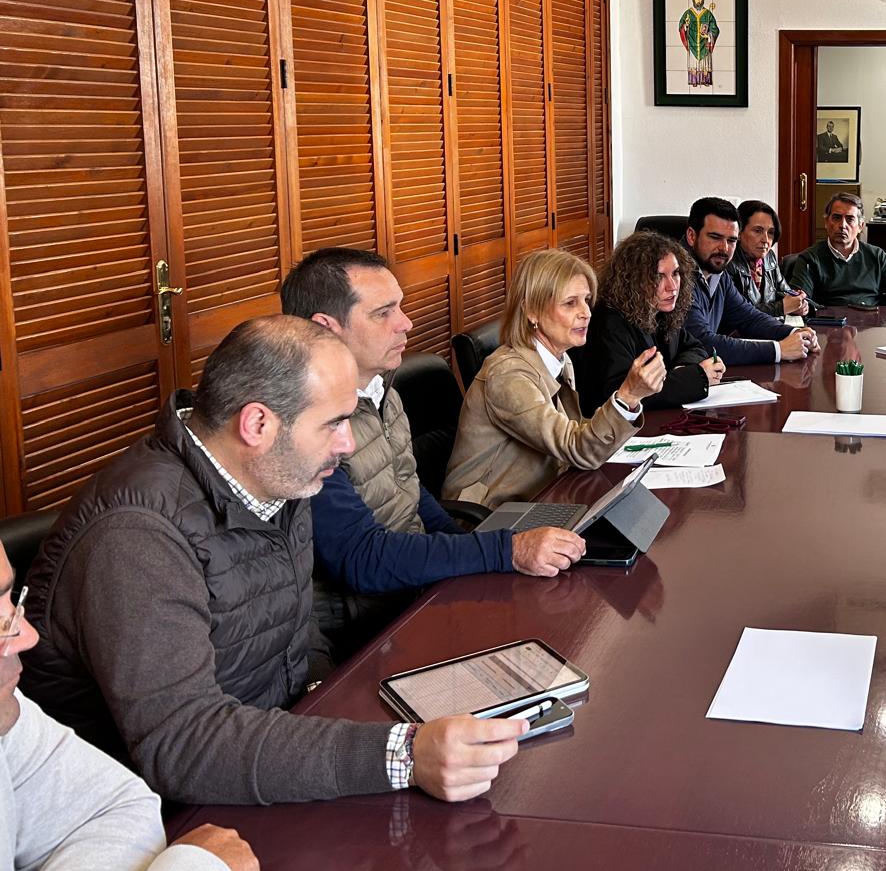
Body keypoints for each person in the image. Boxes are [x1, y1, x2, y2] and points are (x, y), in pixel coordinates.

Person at [22, 316, 528, 805]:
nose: (347, 443)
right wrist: (399, 754)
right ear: (258, 423)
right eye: (334, 423)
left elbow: (293, 629)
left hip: (269, 754)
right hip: (166, 812)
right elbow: (184, 744)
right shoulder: (136, 536)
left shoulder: (279, 476)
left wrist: (333, 705)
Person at [281, 248, 602, 654]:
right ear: (326, 328)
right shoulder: (301, 429)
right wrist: (503, 550)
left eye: (400, 307)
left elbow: (418, 500)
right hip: (368, 626)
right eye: (383, 313)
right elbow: (361, 558)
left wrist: (488, 563)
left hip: (418, 587)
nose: (406, 323)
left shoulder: (384, 394)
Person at [0, 545, 257, 870]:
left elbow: (114, 805)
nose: (27, 636)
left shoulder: (6, 713)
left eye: (9, 602)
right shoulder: (129, 539)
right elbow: (185, 743)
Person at [441, 249, 663, 509]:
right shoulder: (508, 375)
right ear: (532, 311)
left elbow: (574, 437)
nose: (586, 313)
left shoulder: (559, 358)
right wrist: (628, 396)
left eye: (586, 300)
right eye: (570, 303)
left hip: (547, 496)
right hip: (493, 517)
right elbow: (577, 448)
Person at [572, 229, 724, 414]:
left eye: (675, 273)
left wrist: (681, 368)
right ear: (632, 280)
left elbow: (693, 346)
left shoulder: (661, 310)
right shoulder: (608, 322)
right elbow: (623, 393)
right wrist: (698, 376)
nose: (672, 286)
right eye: (659, 277)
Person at [683, 196, 817, 365]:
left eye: (731, 240)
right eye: (715, 237)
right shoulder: (675, 275)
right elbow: (702, 343)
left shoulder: (717, 272)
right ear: (691, 236)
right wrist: (779, 350)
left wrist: (794, 333)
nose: (724, 248)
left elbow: (748, 317)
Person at [787, 192, 886, 309]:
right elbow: (797, 302)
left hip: (870, 326)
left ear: (861, 226)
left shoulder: (876, 256)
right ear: (826, 222)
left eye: (850, 219)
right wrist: (800, 306)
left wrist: (883, 316)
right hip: (829, 328)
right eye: (836, 218)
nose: (842, 225)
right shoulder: (810, 258)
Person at [727, 199, 808, 317]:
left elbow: (784, 291)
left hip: (768, 328)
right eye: (757, 231)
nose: (766, 240)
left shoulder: (769, 257)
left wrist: (799, 303)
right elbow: (737, 313)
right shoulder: (728, 261)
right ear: (738, 232)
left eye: (770, 232)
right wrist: (782, 307)